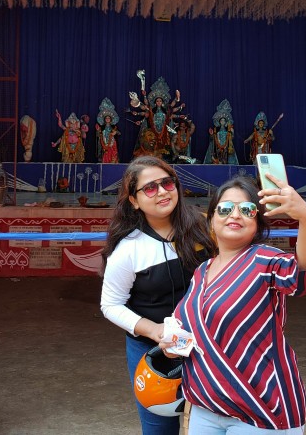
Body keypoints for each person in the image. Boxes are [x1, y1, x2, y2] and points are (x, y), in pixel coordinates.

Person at [161, 175, 306, 433]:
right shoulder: (202, 271)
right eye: (225, 209)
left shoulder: (265, 259)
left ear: (256, 224)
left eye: (247, 210)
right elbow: (193, 331)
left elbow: (302, 275)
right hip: (205, 405)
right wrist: (172, 346)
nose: (235, 215)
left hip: (261, 409)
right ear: (211, 218)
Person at [101, 156, 216, 435]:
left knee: (211, 422)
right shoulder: (128, 249)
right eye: (150, 188)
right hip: (152, 352)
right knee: (158, 428)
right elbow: (110, 305)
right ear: (134, 200)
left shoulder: (203, 227)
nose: (163, 191)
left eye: (167, 183)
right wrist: (154, 330)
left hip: (208, 347)